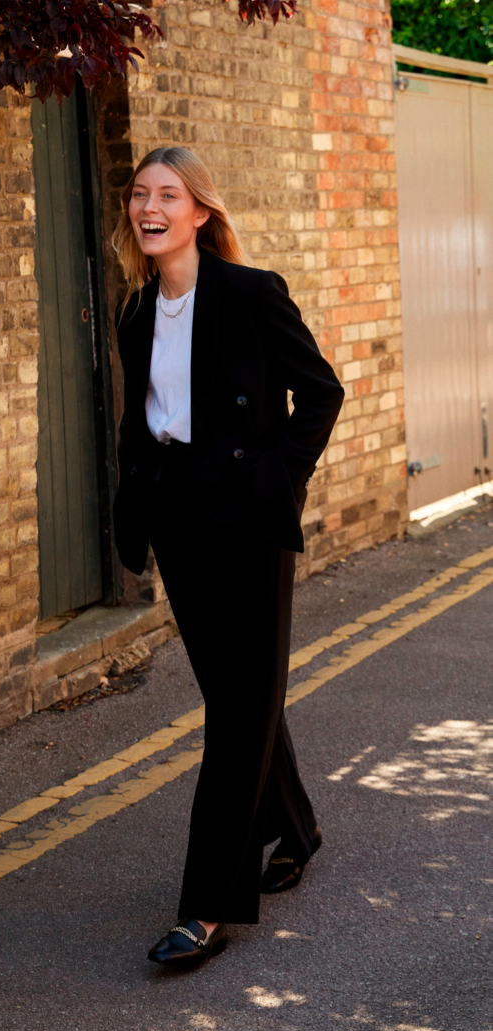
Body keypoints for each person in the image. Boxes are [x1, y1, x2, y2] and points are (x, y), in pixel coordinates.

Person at [111, 147, 344, 967]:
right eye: (140, 193)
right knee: (240, 694)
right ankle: (299, 826)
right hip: (179, 517)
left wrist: (274, 476)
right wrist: (132, 503)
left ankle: (206, 907)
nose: (150, 205)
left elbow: (321, 391)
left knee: (236, 711)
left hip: (244, 518)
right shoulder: (138, 310)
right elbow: (144, 421)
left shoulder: (249, 294)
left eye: (168, 194)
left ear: (200, 213)